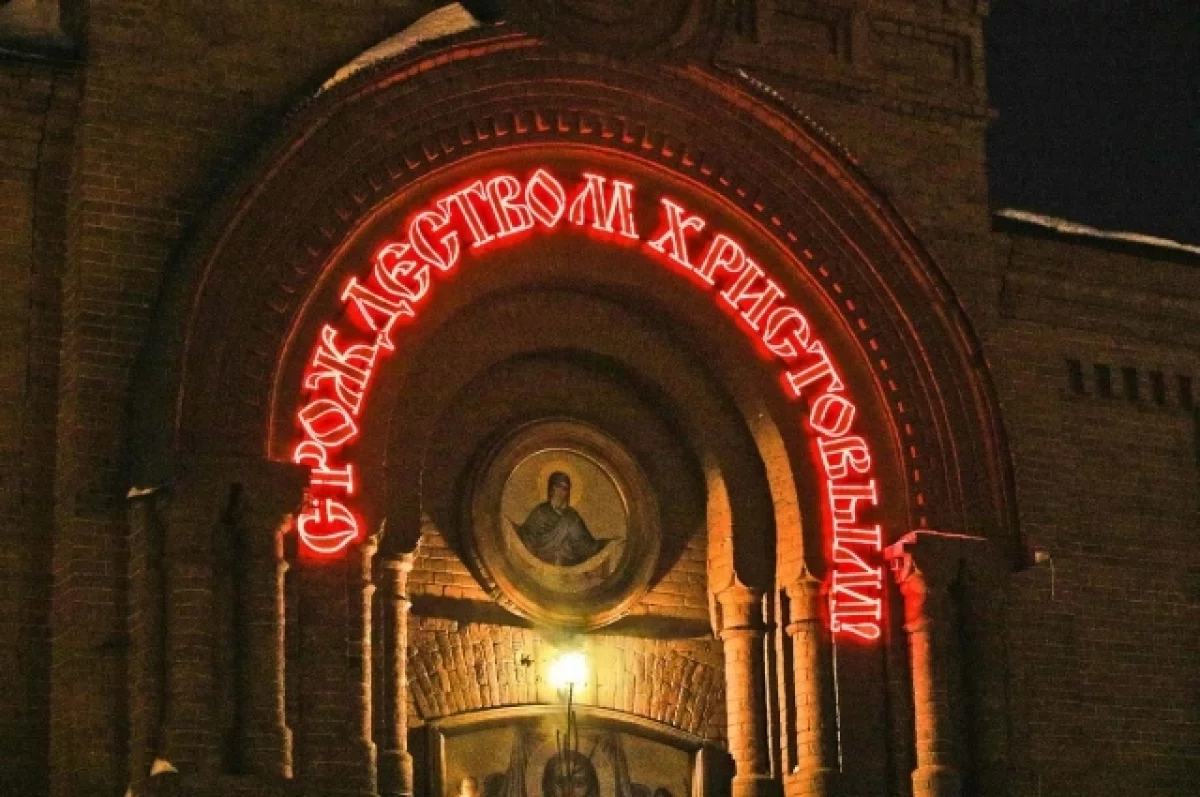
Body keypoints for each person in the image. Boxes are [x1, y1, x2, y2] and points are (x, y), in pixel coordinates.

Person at [513, 472, 609, 566]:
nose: (561, 491)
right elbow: (527, 536)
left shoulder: (572, 516)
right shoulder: (540, 512)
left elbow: (586, 545)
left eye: (565, 488)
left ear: (568, 492)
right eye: (558, 486)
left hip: (568, 565)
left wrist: (605, 544)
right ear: (552, 489)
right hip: (542, 564)